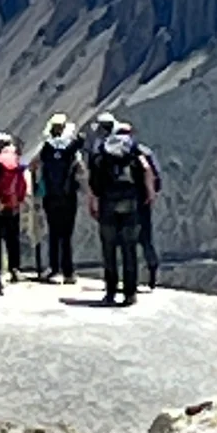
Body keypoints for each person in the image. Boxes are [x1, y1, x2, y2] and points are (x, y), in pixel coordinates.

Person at [88, 116, 145, 304]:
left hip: (108, 202)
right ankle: (130, 293)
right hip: (130, 200)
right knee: (129, 248)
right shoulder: (131, 147)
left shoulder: (101, 149)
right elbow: (143, 169)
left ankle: (111, 291)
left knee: (109, 248)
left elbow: (95, 179)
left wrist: (95, 198)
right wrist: (143, 196)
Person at [36, 113, 83, 284]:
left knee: (54, 233)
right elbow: (80, 171)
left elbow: (40, 170)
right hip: (68, 196)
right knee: (67, 234)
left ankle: (54, 269)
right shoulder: (72, 148)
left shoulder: (46, 148)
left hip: (51, 196)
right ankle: (69, 271)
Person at [117, 117, 162, 287]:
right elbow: (156, 177)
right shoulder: (144, 152)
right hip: (141, 202)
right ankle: (152, 273)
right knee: (145, 239)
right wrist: (151, 194)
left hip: (119, 203)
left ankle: (128, 279)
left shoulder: (110, 154)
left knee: (124, 242)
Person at [0, 132, 27, 294]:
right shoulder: (16, 160)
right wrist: (18, 201)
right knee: (12, 237)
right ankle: (15, 269)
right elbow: (21, 184)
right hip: (13, 205)